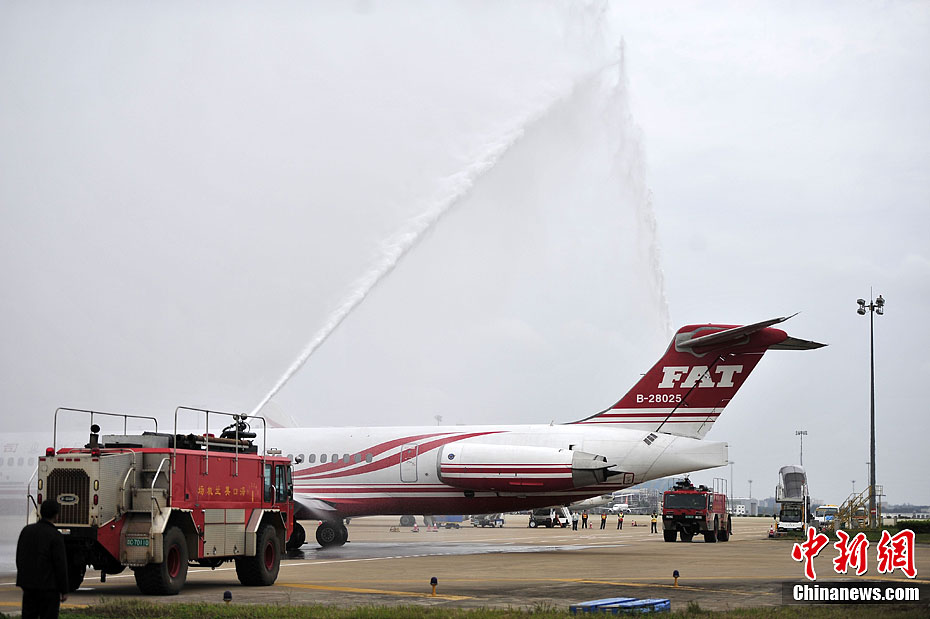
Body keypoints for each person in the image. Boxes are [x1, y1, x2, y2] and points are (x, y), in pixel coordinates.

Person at [17, 499, 68, 619]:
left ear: (40, 512)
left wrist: (23, 580)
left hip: (29, 586)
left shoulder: (26, 531)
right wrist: (64, 589)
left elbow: (19, 558)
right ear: (56, 515)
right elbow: (60, 564)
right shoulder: (56, 535)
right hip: (49, 588)